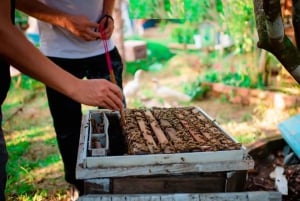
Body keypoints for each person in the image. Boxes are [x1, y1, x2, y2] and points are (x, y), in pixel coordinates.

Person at [0, 0, 124, 200]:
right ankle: (79, 184)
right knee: (68, 130)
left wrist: (108, 13)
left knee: (114, 124)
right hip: (58, 55)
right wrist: (64, 20)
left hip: (103, 49)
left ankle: (116, 180)